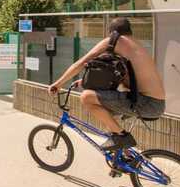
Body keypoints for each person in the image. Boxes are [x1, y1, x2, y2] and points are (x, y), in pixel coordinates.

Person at [48, 17, 165, 150]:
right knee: (106, 117)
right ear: (129, 31)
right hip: (155, 103)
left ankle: (123, 137)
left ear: (112, 32)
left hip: (147, 103)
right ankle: (126, 157)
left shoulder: (116, 40)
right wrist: (84, 81)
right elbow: (121, 74)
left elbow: (81, 63)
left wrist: (58, 84)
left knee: (86, 97)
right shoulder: (136, 45)